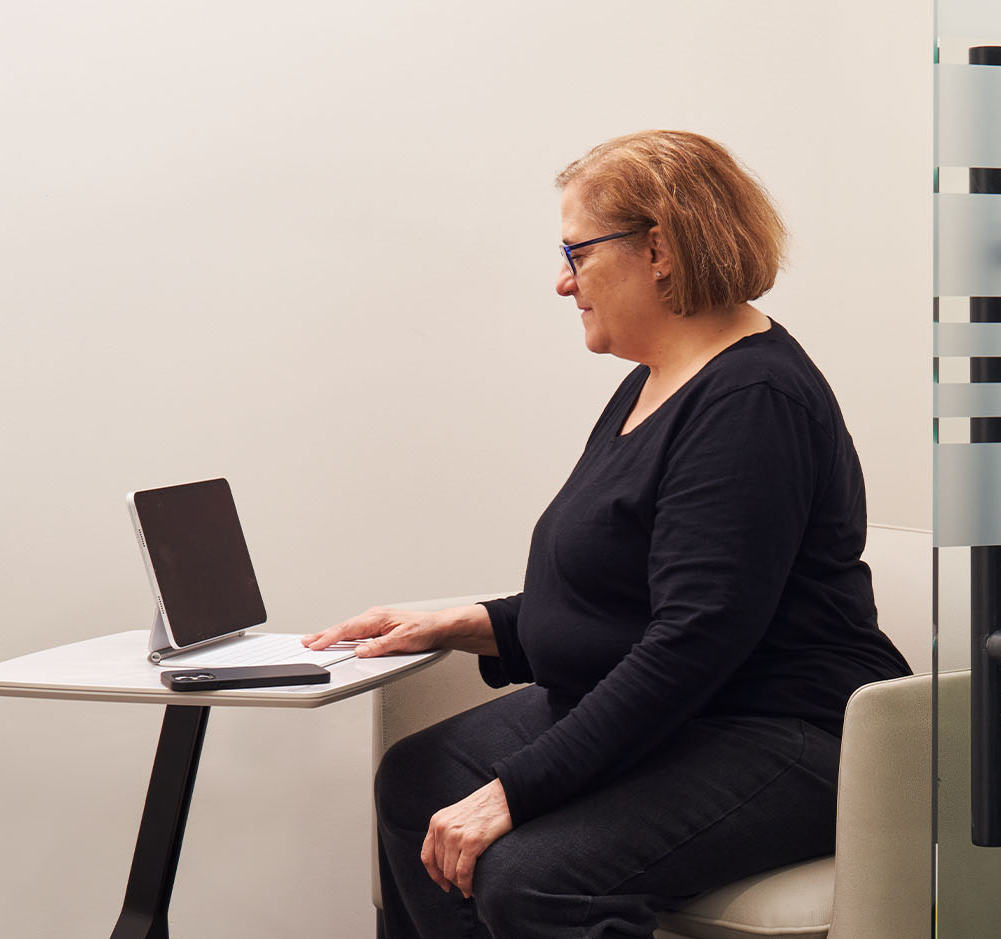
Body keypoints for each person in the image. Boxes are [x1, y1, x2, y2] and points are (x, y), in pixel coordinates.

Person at [303, 130, 911, 939]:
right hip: (701, 710)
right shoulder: (655, 380)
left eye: (575, 252)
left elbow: (694, 636)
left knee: (536, 877)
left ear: (656, 248)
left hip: (781, 733)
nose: (563, 281)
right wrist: (473, 621)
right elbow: (621, 593)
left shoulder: (753, 400)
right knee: (420, 779)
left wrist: (515, 792)